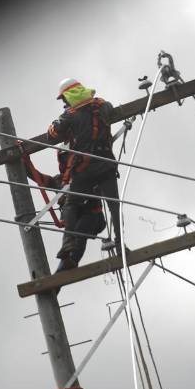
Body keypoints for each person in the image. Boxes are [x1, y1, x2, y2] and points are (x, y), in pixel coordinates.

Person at [44, 77, 124, 272]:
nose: (64, 103)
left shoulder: (70, 115)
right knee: (114, 205)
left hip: (85, 169)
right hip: (106, 166)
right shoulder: (103, 105)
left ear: (69, 96)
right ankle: (121, 245)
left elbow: (51, 134)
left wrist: (60, 120)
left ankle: (68, 241)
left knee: (71, 203)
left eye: (64, 98)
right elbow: (111, 109)